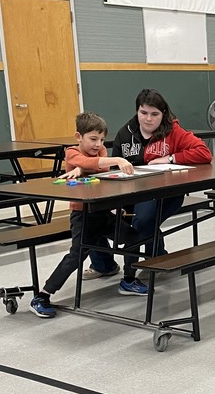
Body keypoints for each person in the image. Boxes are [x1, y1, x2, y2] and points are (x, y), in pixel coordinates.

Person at [84, 88, 213, 282]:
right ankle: (105, 264)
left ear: (163, 114)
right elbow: (114, 168)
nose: (148, 119)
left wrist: (169, 158)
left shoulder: (173, 131)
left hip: (165, 192)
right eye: (143, 113)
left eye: (155, 114)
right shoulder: (125, 133)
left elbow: (204, 153)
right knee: (91, 214)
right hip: (131, 190)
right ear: (137, 111)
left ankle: (137, 270)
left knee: (143, 221)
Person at [30, 112, 147, 318]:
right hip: (83, 217)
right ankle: (42, 295)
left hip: (103, 213)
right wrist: (111, 160)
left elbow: (96, 166)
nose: (98, 144)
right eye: (93, 139)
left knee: (134, 238)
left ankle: (128, 280)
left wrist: (85, 170)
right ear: (78, 137)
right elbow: (89, 163)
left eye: (101, 139)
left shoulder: (100, 151)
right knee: (76, 256)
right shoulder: (71, 153)